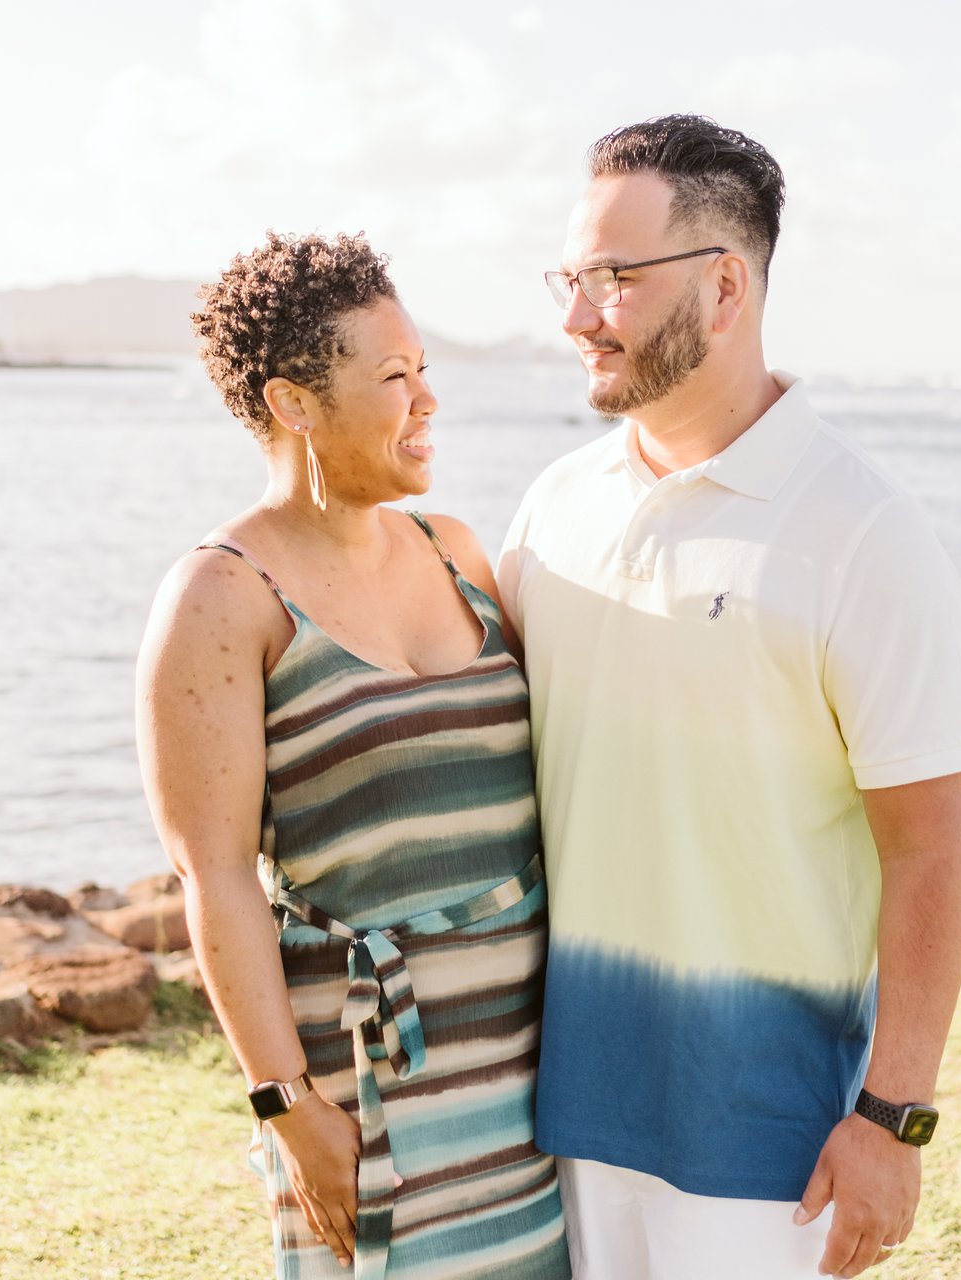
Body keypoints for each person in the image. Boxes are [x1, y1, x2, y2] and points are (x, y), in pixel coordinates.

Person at [497, 116, 961, 1280]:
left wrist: (894, 1117)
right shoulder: (553, 508)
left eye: (614, 278)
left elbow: (930, 850)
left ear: (725, 287)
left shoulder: (862, 527)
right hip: (563, 1112)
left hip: (770, 1135)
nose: (576, 317)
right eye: (571, 279)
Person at [136, 231, 570, 1280]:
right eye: (394, 377)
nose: (428, 400)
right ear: (293, 403)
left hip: (535, 1064)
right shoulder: (220, 597)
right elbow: (215, 875)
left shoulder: (457, 551)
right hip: (363, 1080)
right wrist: (288, 1104)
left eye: (424, 369)